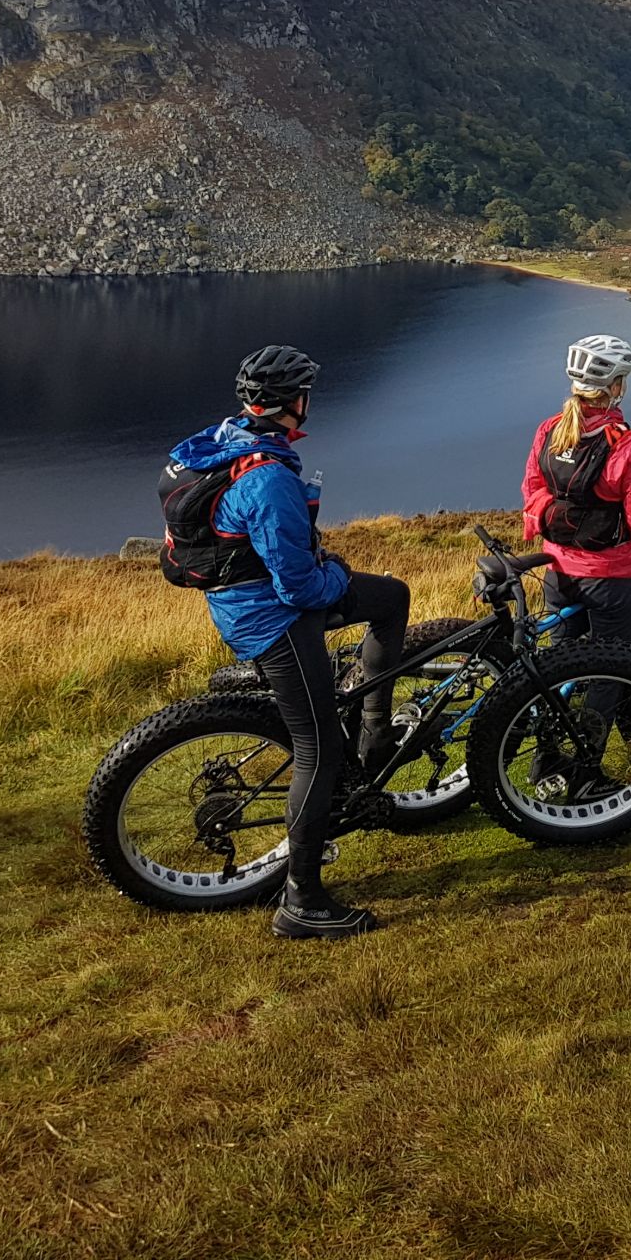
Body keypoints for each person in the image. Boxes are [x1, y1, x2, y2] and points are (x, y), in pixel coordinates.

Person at [159, 345, 410, 941]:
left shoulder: (220, 441)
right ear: (295, 402)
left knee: (391, 598)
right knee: (316, 748)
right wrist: (334, 575)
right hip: (271, 617)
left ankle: (373, 733)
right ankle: (302, 901)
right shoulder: (267, 477)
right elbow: (299, 586)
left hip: (245, 598)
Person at [519, 333, 631, 800]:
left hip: (557, 571)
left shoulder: (549, 429)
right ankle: (585, 771)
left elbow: (531, 492)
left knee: (559, 670)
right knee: (608, 671)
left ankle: (543, 763)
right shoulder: (627, 445)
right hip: (611, 577)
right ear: (615, 387)